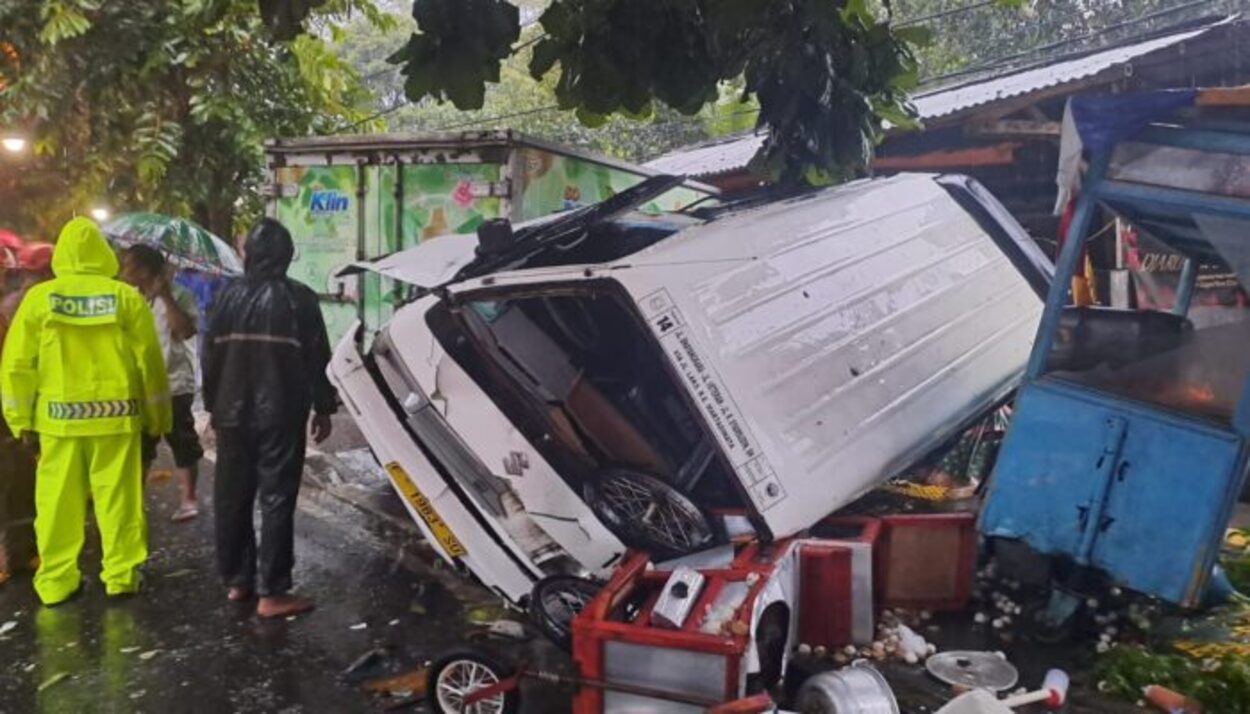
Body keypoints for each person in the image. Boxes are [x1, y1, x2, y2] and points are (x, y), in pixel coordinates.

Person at [1, 218, 171, 605]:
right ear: (102, 254)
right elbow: (151, 362)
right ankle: (121, 576)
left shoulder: (40, 300)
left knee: (57, 504)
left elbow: (17, 366)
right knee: (119, 501)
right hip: (116, 421)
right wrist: (158, 420)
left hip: (58, 424)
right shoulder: (125, 298)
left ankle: (58, 581)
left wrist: (21, 421)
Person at [202, 218, 336, 619]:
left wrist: (212, 406)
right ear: (288, 256)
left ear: (247, 254)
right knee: (276, 499)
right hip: (281, 414)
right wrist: (325, 406)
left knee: (232, 497)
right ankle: (272, 592)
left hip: (230, 413)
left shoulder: (225, 297)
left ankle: (238, 581)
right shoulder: (301, 299)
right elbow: (318, 359)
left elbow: (210, 358)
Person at [120, 244, 204, 522]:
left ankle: (189, 500)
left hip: (174, 384)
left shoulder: (180, 294)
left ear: (143, 269)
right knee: (141, 446)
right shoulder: (127, 296)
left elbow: (186, 331)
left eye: (129, 265)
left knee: (183, 443)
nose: (123, 270)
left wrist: (166, 296)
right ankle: (135, 503)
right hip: (139, 386)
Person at [0, 244, 53, 584]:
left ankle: (18, 552)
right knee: (15, 481)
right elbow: (18, 364)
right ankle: (16, 554)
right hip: (8, 411)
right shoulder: (24, 306)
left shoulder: (10, 307)